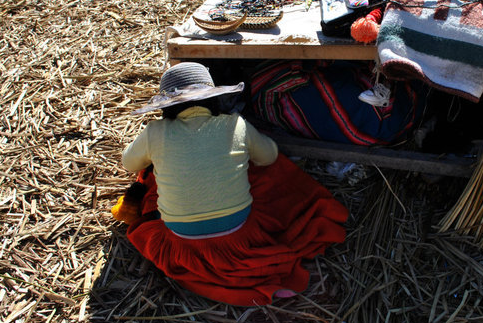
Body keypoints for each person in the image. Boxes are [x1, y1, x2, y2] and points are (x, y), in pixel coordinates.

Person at [111, 62, 348, 306]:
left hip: (182, 239)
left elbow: (130, 163)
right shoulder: (236, 124)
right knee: (264, 173)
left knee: (149, 181)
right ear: (213, 99)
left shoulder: (155, 132)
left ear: (168, 107)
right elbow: (269, 157)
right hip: (240, 231)